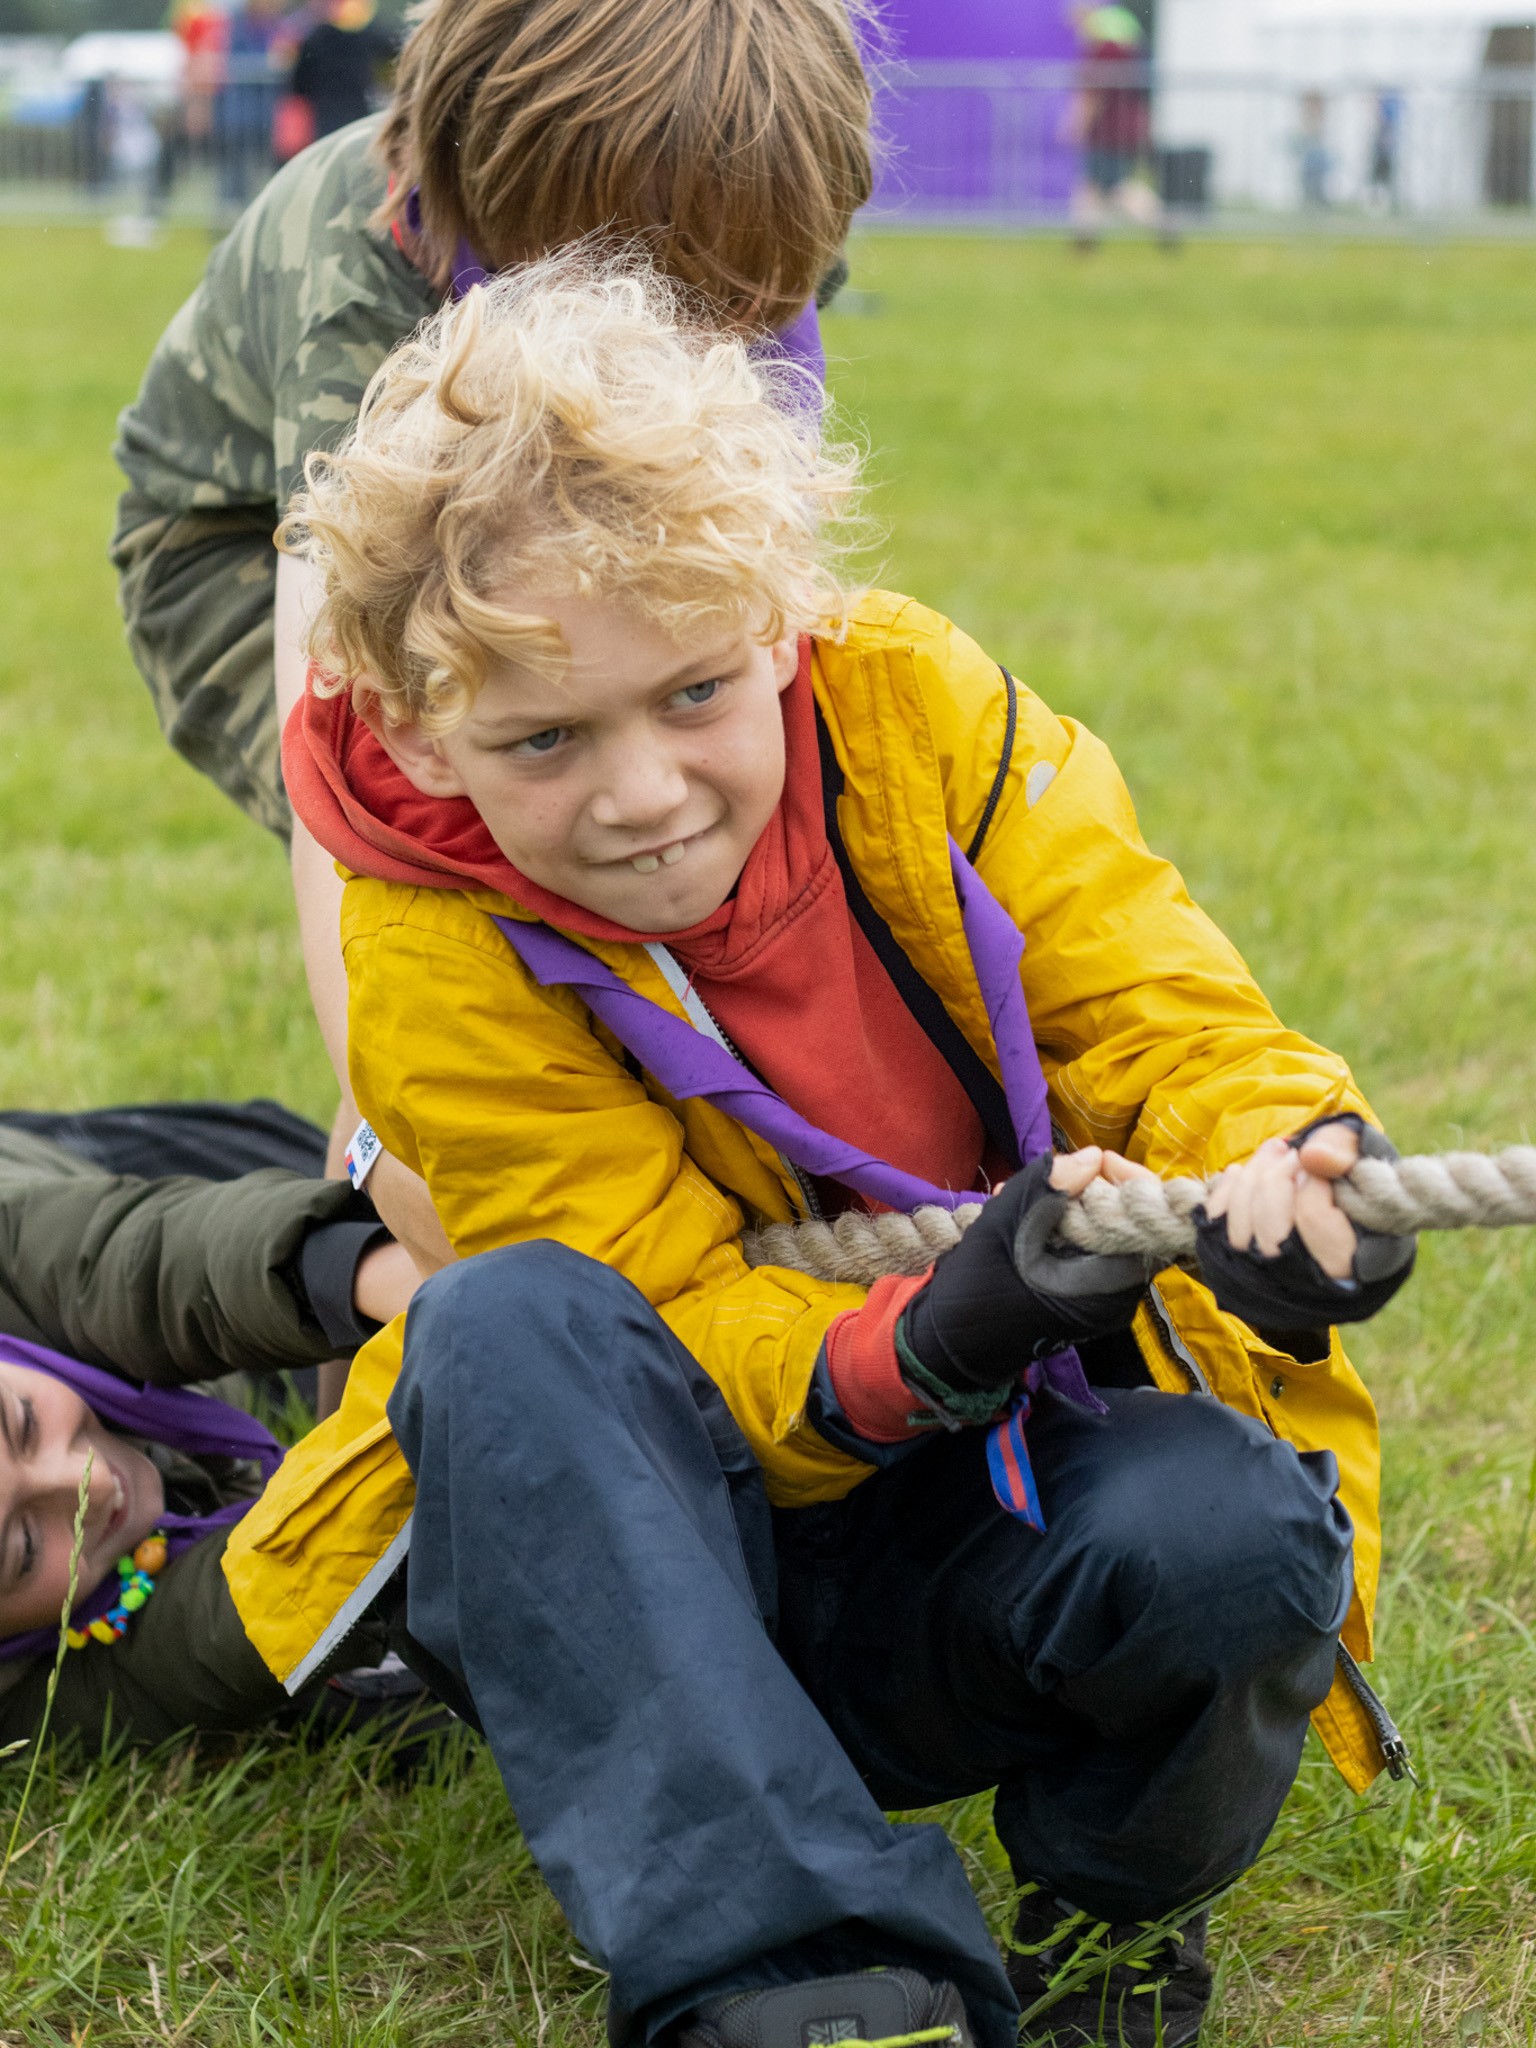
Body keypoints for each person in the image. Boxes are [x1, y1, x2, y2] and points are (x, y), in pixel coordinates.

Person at [221, 256, 1416, 2048]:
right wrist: (933, 1330)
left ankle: (1103, 1917)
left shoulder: (918, 711)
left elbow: (1158, 1014)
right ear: (412, 727)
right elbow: (646, 1312)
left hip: (1015, 1499)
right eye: (543, 737)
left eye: (696, 692)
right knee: (502, 1328)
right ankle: (805, 1976)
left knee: (1235, 1528)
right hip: (699, 1588)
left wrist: (1295, 1166)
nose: (641, 792)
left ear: (783, 617)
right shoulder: (426, 939)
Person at [110, 0, 872, 1277]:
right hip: (244, 563)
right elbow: (336, 744)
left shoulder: (744, 203)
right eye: (648, 300)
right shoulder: (363, 270)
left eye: (721, 309)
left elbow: (762, 581)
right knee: (472, 821)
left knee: (678, 787)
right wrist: (384, 1122)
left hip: (552, 518)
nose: (695, 331)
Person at [0, 1102, 421, 1749]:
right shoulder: (21, 1695)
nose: (88, 1481)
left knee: (326, 1184)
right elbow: (192, 1654)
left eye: (24, 1424)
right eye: (24, 1548)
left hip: (66, 1173)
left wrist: (364, 1276)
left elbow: (146, 1260)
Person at [290, 0, 399, 145]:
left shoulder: (317, 37)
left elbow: (300, 82)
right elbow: (395, 48)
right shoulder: (368, 35)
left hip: (326, 113)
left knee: (328, 152)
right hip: (357, 111)